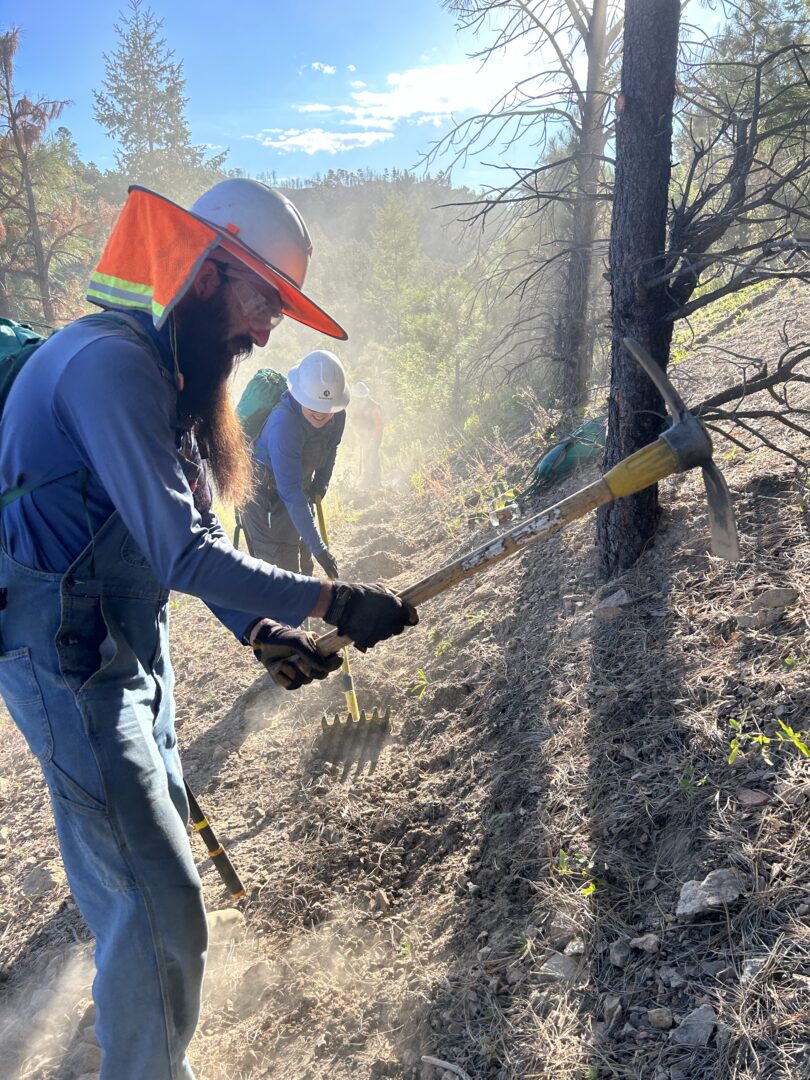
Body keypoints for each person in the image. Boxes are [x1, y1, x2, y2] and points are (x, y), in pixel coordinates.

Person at [0, 178, 417, 1080]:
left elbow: (172, 535)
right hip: (69, 664)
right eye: (264, 298)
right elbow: (181, 549)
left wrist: (257, 628)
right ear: (206, 266)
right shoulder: (108, 367)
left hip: (125, 645)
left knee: (139, 872)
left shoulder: (168, 373)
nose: (268, 330)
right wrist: (334, 602)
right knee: (159, 902)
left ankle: (142, 1037)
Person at [241, 350, 348, 577]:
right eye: (314, 407)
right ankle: (280, 612)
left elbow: (332, 447)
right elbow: (289, 492)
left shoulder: (336, 412)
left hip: (297, 488)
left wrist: (321, 482)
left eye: (327, 409)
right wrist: (322, 550)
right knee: (281, 571)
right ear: (300, 396)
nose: (321, 414)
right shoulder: (284, 424)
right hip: (264, 497)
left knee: (304, 559)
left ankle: (306, 610)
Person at [351, 380, 383, 490]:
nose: (361, 400)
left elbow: (378, 426)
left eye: (362, 398)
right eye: (359, 398)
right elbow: (353, 421)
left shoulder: (374, 407)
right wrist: (358, 434)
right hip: (363, 435)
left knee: (372, 455)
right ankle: (367, 479)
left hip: (375, 434)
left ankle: (377, 481)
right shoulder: (355, 406)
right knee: (366, 456)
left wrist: (372, 440)